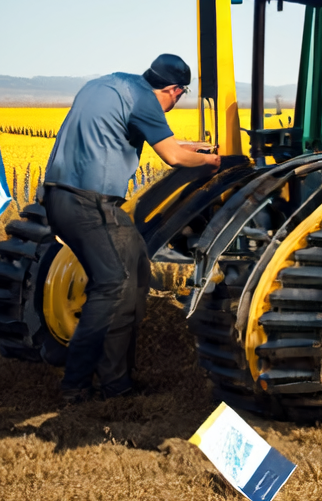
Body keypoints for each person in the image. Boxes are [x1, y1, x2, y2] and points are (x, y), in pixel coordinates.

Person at [42, 54, 220, 403]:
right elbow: (173, 157)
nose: (176, 101)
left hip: (59, 197)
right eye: (180, 95)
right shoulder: (146, 100)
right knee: (111, 284)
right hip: (89, 203)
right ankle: (76, 386)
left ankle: (116, 383)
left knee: (136, 263)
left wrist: (189, 146)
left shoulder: (108, 84)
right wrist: (211, 160)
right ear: (173, 90)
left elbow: (147, 138)